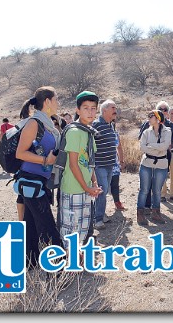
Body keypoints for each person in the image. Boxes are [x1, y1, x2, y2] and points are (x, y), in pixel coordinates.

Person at [16, 86, 62, 269]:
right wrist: (45, 159)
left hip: (39, 181)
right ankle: (58, 271)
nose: (58, 102)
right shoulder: (34, 123)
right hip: (31, 181)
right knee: (48, 227)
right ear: (48, 101)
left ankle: (30, 262)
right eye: (56, 98)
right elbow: (20, 153)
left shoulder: (49, 124)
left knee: (30, 225)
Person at [59, 91, 103, 248]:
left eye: (93, 108)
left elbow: (90, 162)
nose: (90, 112)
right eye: (86, 108)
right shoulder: (75, 131)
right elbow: (73, 164)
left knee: (83, 227)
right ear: (77, 110)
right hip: (73, 188)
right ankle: (68, 265)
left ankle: (76, 260)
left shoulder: (88, 132)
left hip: (86, 189)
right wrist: (87, 187)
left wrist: (94, 184)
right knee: (71, 228)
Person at [136, 110, 171, 226]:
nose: (149, 118)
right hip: (146, 163)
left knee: (157, 191)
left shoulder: (167, 131)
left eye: (151, 116)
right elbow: (142, 147)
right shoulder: (146, 132)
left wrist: (151, 146)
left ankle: (156, 213)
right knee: (144, 190)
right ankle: (140, 214)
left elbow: (165, 146)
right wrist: (157, 148)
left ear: (157, 119)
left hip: (161, 164)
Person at [92, 99, 119, 229]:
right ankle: (97, 220)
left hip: (110, 165)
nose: (115, 110)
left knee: (105, 190)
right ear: (104, 110)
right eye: (113, 108)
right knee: (101, 190)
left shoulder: (110, 125)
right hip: (100, 165)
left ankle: (100, 214)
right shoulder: (96, 125)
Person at [110, 121, 127, 211]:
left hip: (115, 163)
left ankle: (117, 202)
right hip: (102, 163)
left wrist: (121, 161)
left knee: (115, 184)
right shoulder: (98, 133)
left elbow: (119, 147)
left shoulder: (115, 134)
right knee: (103, 186)